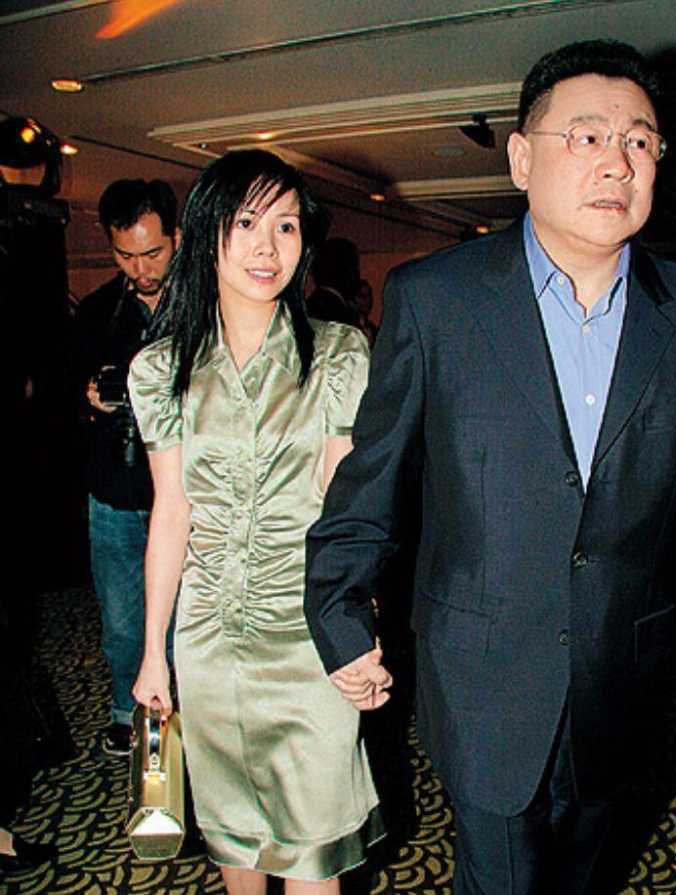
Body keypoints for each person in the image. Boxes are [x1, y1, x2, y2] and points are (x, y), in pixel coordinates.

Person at [304, 39, 676, 895]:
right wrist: (338, 610)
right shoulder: (435, 299)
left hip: (624, 678)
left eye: (639, 141)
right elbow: (374, 479)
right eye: (586, 137)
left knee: (589, 868)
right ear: (521, 159)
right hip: (481, 677)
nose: (617, 162)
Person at [128, 149, 381, 895]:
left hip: (307, 639)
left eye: (287, 226)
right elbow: (171, 513)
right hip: (209, 640)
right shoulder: (162, 369)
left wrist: (358, 630)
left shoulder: (335, 354)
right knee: (234, 837)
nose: (268, 247)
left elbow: (346, 512)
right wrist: (153, 653)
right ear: (207, 233)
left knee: (311, 850)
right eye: (246, 223)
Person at [73, 178, 180, 757]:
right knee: (121, 620)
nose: (140, 268)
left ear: (177, 237)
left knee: (185, 616)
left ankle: (181, 715)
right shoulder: (95, 313)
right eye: (125, 255)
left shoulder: (206, 306)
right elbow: (56, 399)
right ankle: (125, 711)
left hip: (184, 491)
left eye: (152, 252)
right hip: (115, 489)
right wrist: (90, 401)